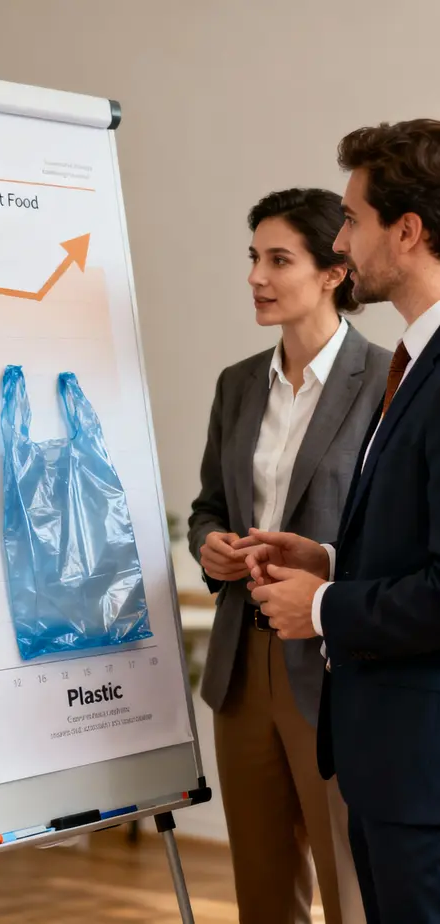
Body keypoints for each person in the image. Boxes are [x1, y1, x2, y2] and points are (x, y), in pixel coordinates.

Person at [242, 119, 440, 924]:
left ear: (407, 230)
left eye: (351, 219)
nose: (343, 239)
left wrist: (320, 607)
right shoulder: (414, 359)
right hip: (392, 766)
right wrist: (329, 561)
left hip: (420, 775)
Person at [188, 187, 390, 924]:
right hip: (242, 665)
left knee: (349, 882)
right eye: (252, 259)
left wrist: (321, 573)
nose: (255, 277)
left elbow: (392, 532)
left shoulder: (387, 382)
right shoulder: (237, 385)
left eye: (278, 259)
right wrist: (209, 546)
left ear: (333, 271)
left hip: (334, 664)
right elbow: (210, 504)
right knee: (262, 888)